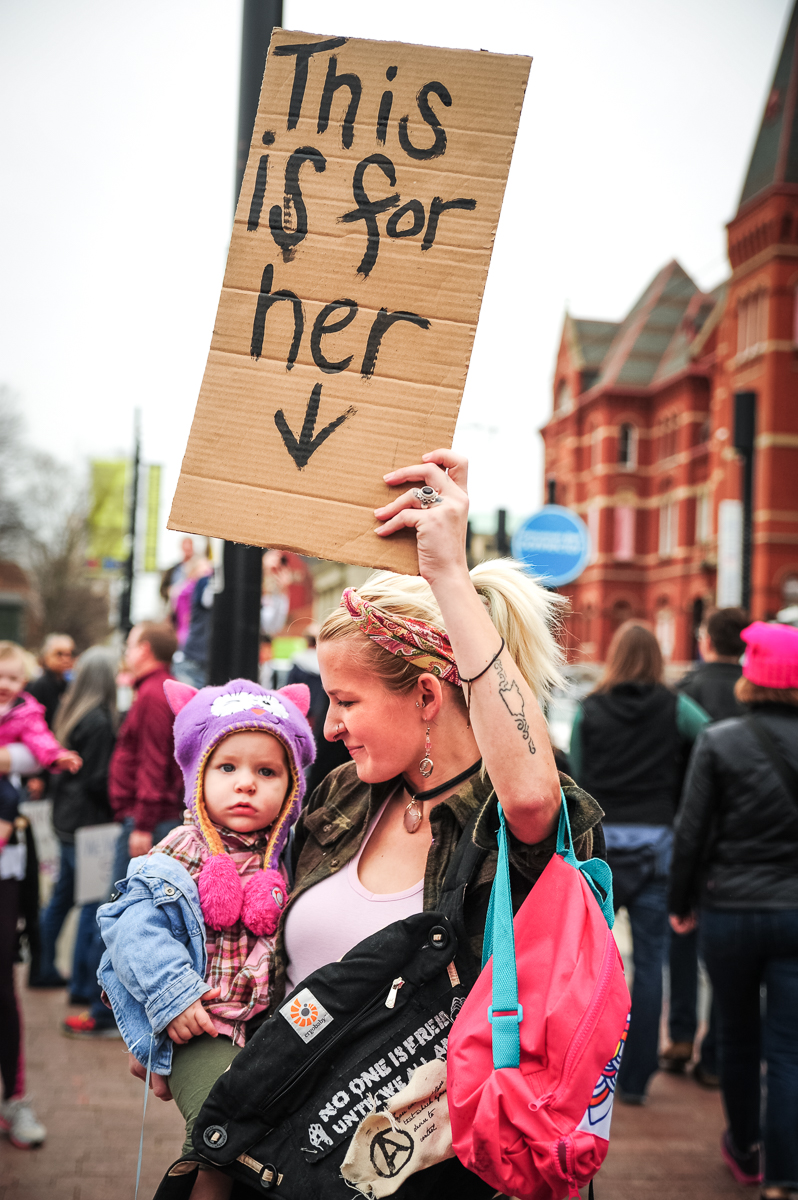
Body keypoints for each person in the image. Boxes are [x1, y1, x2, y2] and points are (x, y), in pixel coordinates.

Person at [98, 679, 315, 1200]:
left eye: (267, 772)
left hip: (260, 1027)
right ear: (198, 777)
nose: (246, 784)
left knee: (254, 1142)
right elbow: (130, 928)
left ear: (291, 787)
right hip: (198, 1024)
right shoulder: (181, 850)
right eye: (228, 767)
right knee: (220, 1136)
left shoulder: (284, 855)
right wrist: (169, 999)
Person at [670, 621, 798, 1199]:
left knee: (737, 1035)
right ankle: (785, 1173)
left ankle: (744, 1151)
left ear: (751, 677)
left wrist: (681, 902)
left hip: (730, 910)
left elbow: (691, 833)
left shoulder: (719, 741)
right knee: (790, 1046)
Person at [568, 621, 709, 1103]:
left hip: (604, 851)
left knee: (595, 965)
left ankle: (587, 1069)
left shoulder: (590, 709)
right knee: (651, 965)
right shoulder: (676, 708)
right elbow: (710, 739)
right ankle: (636, 1078)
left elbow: (580, 778)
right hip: (659, 848)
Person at [64, 622, 183, 1037]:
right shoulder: (154, 689)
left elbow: (153, 761)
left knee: (119, 913)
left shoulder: (152, 694)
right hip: (144, 816)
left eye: (131, 644)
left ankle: (105, 1016)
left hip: (144, 819)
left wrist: (143, 822)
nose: (127, 652)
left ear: (145, 648)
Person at [662, 607, 748, 1083]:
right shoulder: (756, 695)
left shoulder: (687, 693)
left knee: (682, 935)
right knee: (728, 959)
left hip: (685, 828)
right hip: (739, 841)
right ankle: (715, 1050)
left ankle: (679, 1035)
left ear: (708, 642)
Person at [36, 648, 117, 1002]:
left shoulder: (73, 710)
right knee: (90, 903)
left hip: (66, 818)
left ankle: (42, 967)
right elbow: (97, 780)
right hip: (87, 823)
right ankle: (82, 986)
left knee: (62, 898)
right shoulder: (99, 720)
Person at [26, 633, 75, 729]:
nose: (65, 659)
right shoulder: (40, 686)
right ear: (46, 656)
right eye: (59, 654)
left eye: (69, 654)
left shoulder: (69, 683)